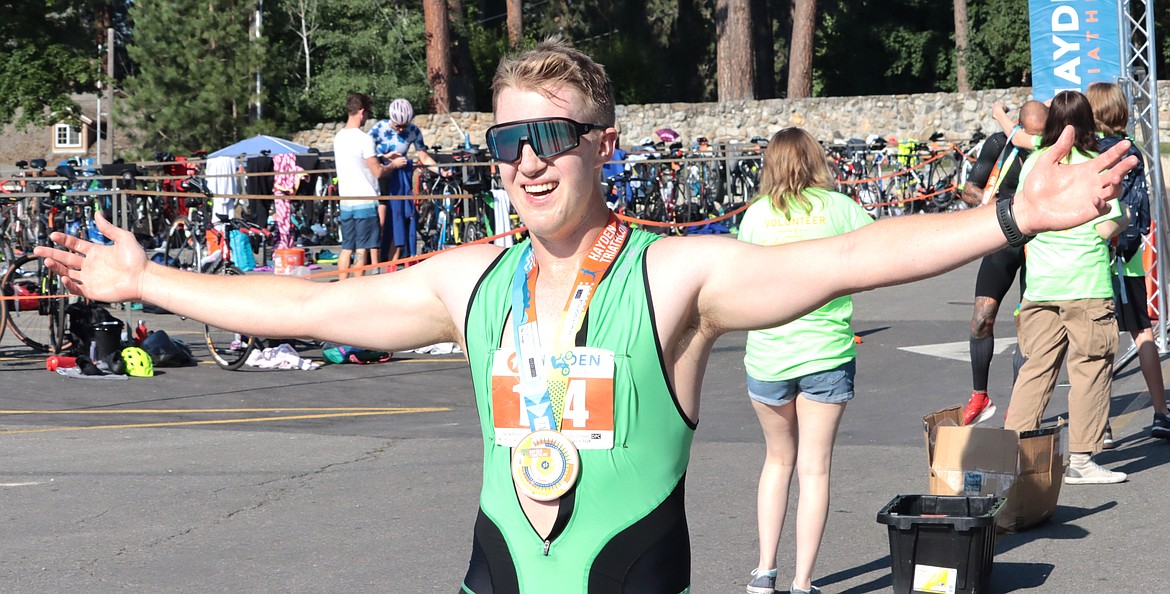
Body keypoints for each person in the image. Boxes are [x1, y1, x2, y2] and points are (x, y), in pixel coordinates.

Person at [36, 39, 1137, 593]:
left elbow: (849, 255)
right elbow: (318, 302)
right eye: (505, 142)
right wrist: (147, 286)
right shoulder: (473, 282)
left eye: (549, 138)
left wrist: (1006, 216)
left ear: (600, 147)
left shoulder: (671, 280)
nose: (524, 163)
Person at [738, 128, 872, 594]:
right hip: (826, 349)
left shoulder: (756, 215)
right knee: (814, 469)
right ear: (816, 159)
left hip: (769, 353)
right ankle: (802, 582)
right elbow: (879, 255)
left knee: (777, 461)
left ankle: (763, 571)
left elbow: (745, 278)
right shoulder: (841, 208)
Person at [1003, 90, 1129, 485]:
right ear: (1088, 122)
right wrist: (1121, 216)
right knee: (1090, 368)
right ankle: (1081, 459)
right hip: (1086, 283)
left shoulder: (1034, 165)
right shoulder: (1094, 166)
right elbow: (1108, 227)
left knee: (1036, 370)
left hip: (1040, 285)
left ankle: (1013, 456)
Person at [1086, 81, 1170, 442]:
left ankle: (1101, 423)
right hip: (1129, 258)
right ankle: (1161, 412)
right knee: (1142, 333)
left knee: (1097, 342)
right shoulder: (1132, 151)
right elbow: (1143, 209)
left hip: (1093, 257)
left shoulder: (1087, 154)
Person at [958, 100, 1049, 426]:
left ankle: (1020, 405)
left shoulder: (1051, 146)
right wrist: (1001, 205)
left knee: (1028, 328)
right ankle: (979, 395)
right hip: (1003, 237)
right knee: (981, 317)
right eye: (1032, 133)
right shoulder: (999, 143)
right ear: (1020, 128)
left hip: (1039, 245)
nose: (1035, 139)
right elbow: (969, 189)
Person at [369, 98, 440, 265]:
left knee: (399, 221)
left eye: (404, 126)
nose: (401, 129)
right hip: (379, 179)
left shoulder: (413, 130)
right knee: (381, 223)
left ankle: (393, 262)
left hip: (399, 182)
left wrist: (441, 170)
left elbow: (423, 156)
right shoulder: (378, 128)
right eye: (397, 126)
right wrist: (385, 157)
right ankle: (375, 263)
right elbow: (366, 154)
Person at [333, 93, 394, 279]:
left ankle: (342, 285)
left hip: (346, 201)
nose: (367, 118)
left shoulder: (339, 138)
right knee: (361, 249)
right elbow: (377, 172)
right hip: (365, 201)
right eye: (367, 114)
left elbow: (356, 161)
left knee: (346, 248)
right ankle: (355, 288)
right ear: (361, 112)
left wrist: (382, 157)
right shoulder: (364, 139)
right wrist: (392, 165)